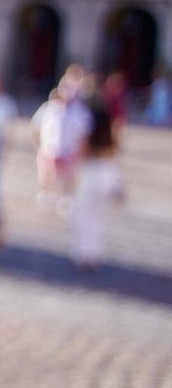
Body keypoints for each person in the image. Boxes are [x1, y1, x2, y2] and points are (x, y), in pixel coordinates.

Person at [70, 96, 124, 271]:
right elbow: (114, 150)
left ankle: (84, 252)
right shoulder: (110, 129)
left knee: (83, 213)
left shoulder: (87, 124)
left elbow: (82, 149)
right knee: (98, 215)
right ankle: (94, 253)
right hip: (107, 171)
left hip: (90, 171)